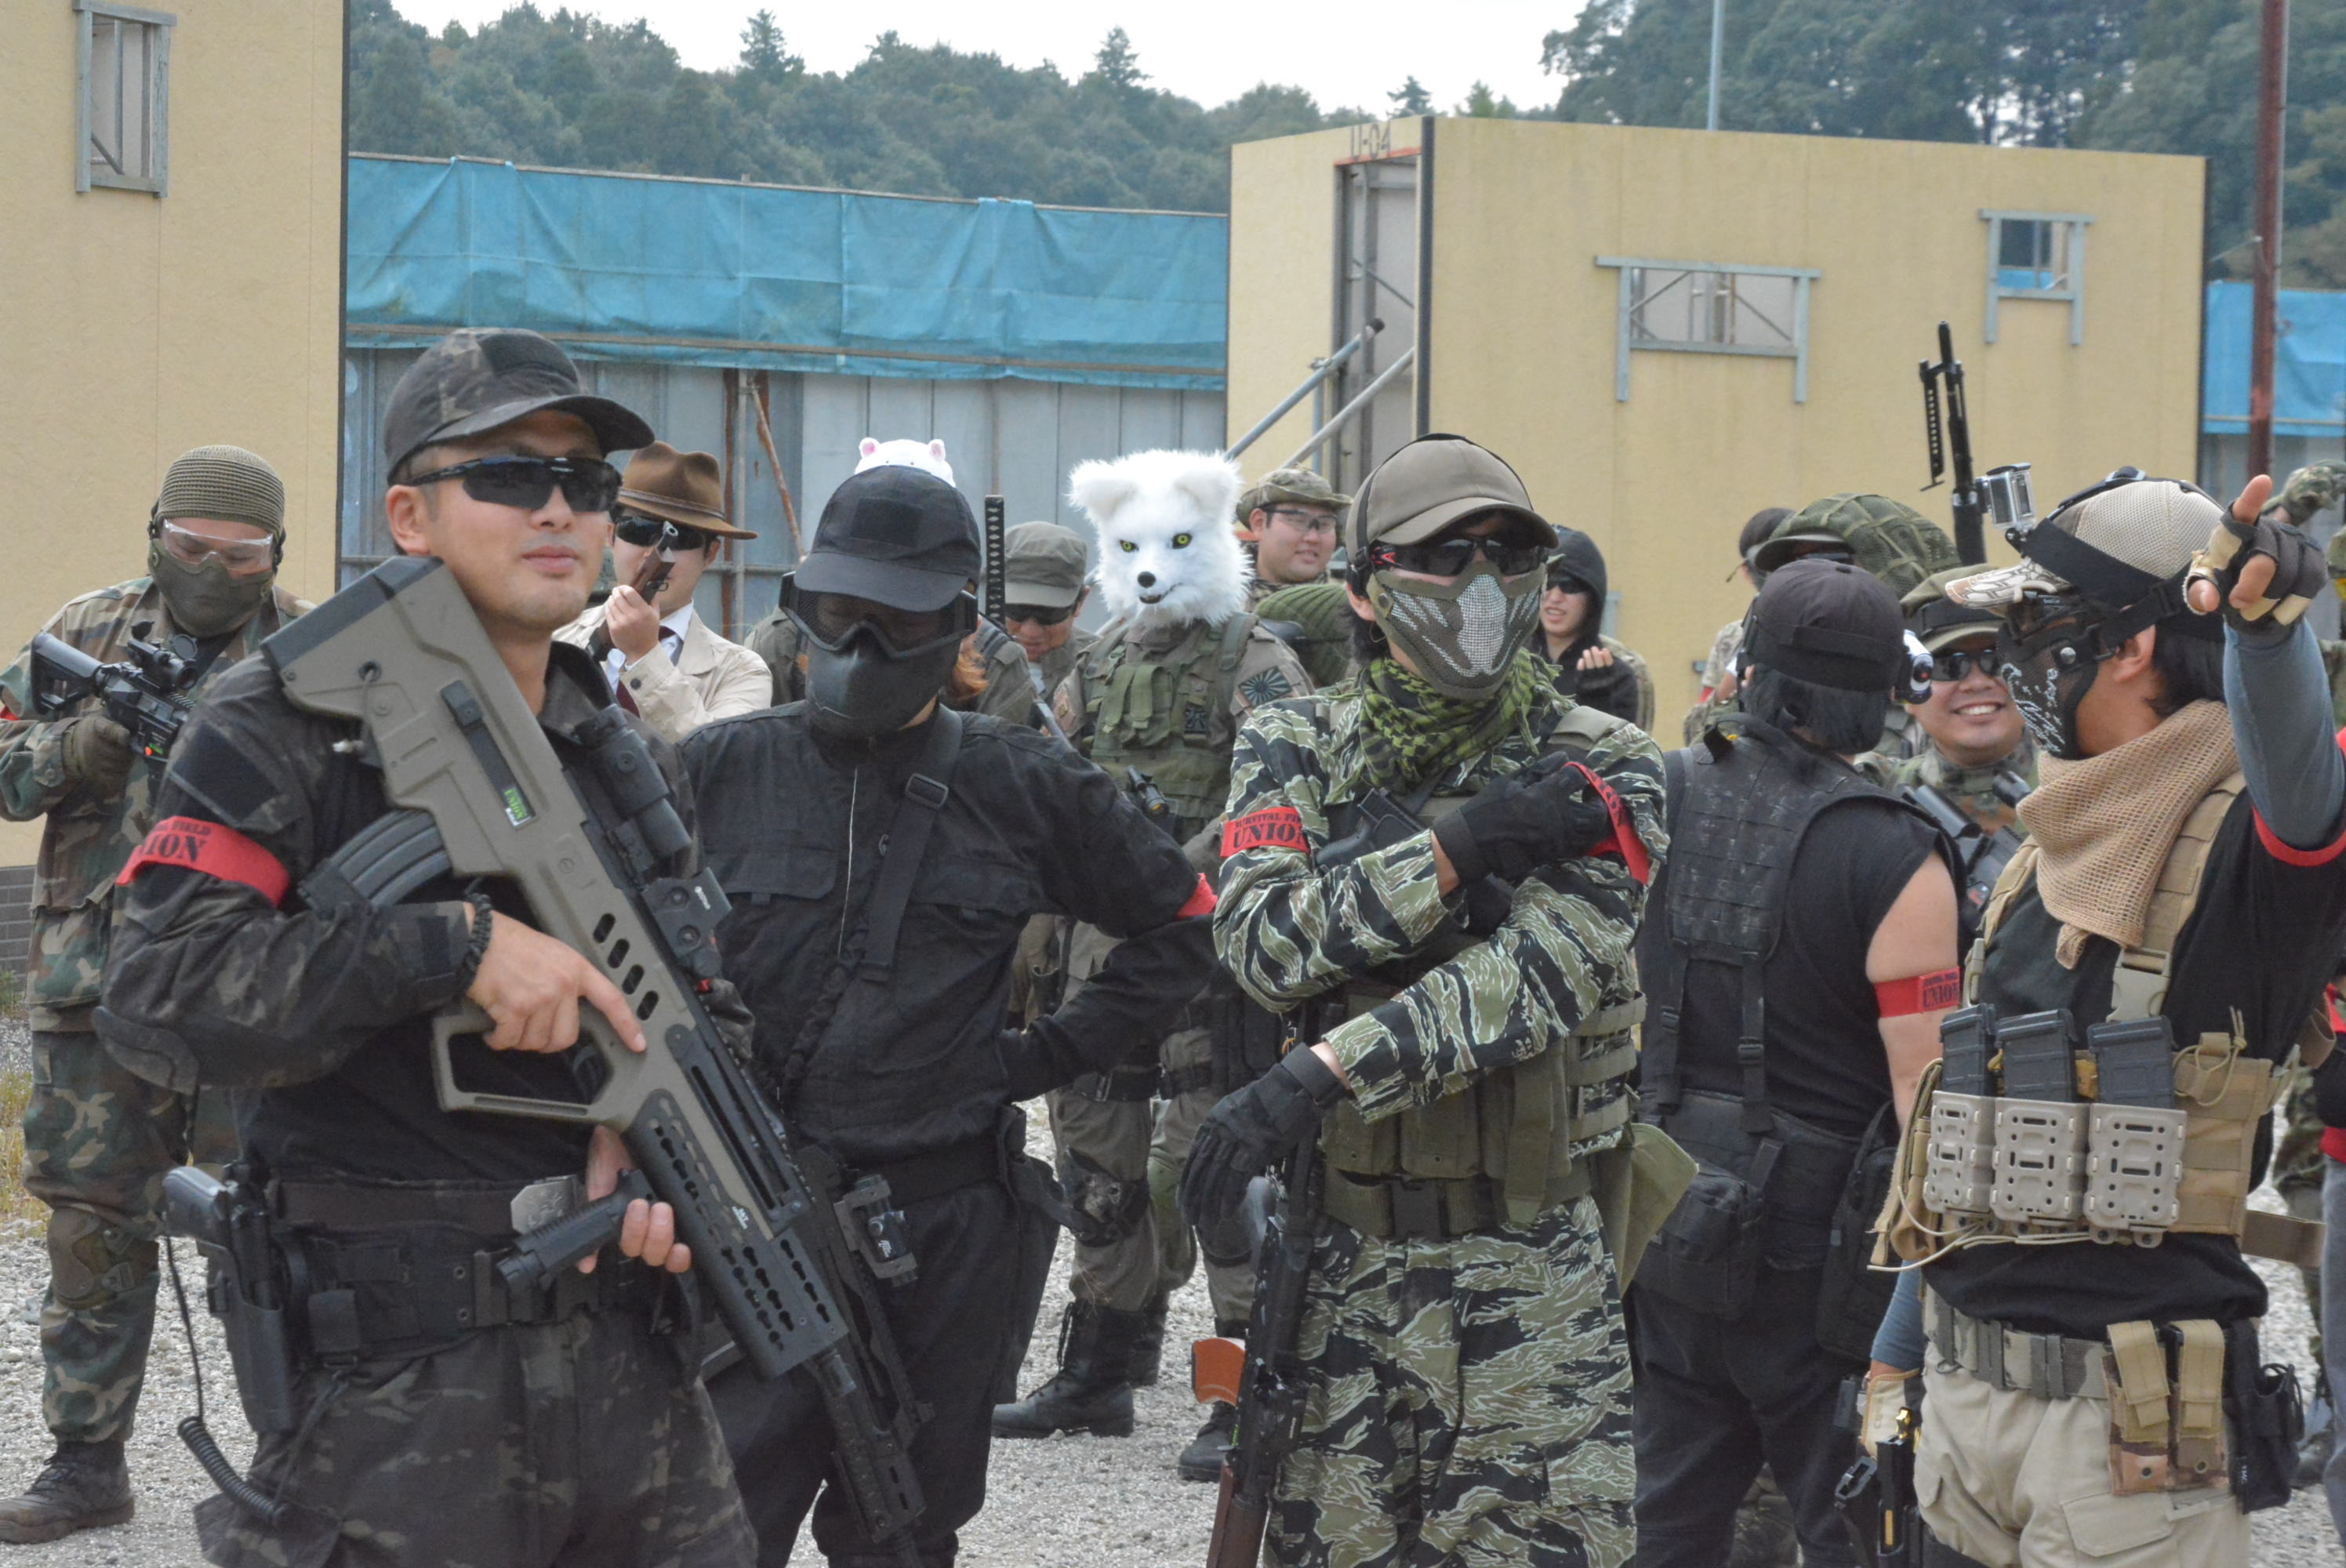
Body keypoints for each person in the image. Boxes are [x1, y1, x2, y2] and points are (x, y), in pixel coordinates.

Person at [94, 327, 756, 1566]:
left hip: (635, 1391)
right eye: (508, 475)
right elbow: (159, 997)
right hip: (396, 1400)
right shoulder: (285, 723)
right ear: (409, 516)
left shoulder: (621, 755)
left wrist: (652, 1130)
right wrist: (450, 949)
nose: (558, 509)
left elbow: (711, 1003)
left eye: (585, 483)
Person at [680, 463, 1216, 1565]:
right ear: (800, 606)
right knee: (711, 1533)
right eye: (840, 612)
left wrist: (1037, 1059)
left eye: (899, 619)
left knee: (905, 1532)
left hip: (938, 1233)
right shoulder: (717, 768)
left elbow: (1180, 926)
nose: (862, 644)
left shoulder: (1021, 782)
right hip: (749, 1226)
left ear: (958, 627)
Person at [1186, 433, 1669, 1566]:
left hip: (1532, 1277)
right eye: (1448, 555)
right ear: (1364, 586)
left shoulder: (1606, 761)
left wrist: (1319, 1071)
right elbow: (1264, 942)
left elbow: (1534, 980)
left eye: (1511, 554)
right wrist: (1460, 849)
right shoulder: (1293, 740)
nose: (1483, 583)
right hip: (1339, 1267)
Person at [1867, 470, 2346, 1567]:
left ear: (2128, 647)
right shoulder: (2056, 839)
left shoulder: (2249, 850)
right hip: (1966, 1408)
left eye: (2033, 630)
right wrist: (1896, 1362)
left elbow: (2306, 802)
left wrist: (2266, 635)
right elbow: (1966, 1151)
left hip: (2126, 1441)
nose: (2008, 665)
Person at [0, 446, 309, 1544]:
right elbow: (7, 771)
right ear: (154, 534)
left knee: (274, 1226)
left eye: (241, 556)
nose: (213, 572)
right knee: (94, 1227)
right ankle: (87, 1465)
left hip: (250, 991)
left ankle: (296, 1460)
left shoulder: (312, 650)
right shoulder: (89, 630)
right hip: (96, 983)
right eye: (192, 547)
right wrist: (86, 742)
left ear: (277, 555)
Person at [1628, 558, 1960, 1568]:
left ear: (1750, 672)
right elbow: (1928, 1102)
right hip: (1826, 1263)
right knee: (1853, 1524)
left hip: (1664, 1211)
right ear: (1882, 692)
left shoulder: (1662, 792)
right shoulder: (1896, 850)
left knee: (1664, 1520)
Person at [993, 449, 1311, 1482]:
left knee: (1214, 1170)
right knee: (1097, 1159)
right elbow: (1057, 784)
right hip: (1103, 948)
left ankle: (1234, 1390)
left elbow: (1290, 792)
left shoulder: (1257, 659)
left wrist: (1178, 867)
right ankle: (1100, 1368)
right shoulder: (1100, 665)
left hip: (1213, 950)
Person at [555, 441, 771, 737]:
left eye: (681, 538)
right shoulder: (556, 639)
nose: (653, 554)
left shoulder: (742, 672)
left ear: (710, 554)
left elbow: (715, 758)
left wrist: (644, 655)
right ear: (611, 536)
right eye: (638, 530)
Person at [1886, 569, 2037, 833]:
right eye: (1946, 666)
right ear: (1906, 690)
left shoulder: (2091, 787)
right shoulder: (1874, 796)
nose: (1977, 683)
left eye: (1998, 659)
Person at [1682, 506, 1792, 745]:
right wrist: (1730, 685)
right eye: (1766, 563)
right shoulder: (1732, 637)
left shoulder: (1832, 628)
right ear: (1747, 572)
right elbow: (1695, 733)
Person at [973, 520, 1096, 730]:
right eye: (1016, 611)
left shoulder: (1102, 665)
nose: (1030, 631)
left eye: (1049, 614)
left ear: (1080, 602)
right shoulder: (958, 661)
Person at [1538, 527, 1655, 730]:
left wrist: (1598, 708)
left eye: (1569, 586)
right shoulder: (1509, 661)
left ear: (1592, 596)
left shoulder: (1619, 675)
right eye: (1548, 582)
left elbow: (1628, 749)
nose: (1555, 597)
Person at [1237, 466, 1350, 607]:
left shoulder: (1356, 607)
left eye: (1324, 524)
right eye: (1298, 521)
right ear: (1259, 523)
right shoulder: (1217, 601)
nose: (1313, 538)